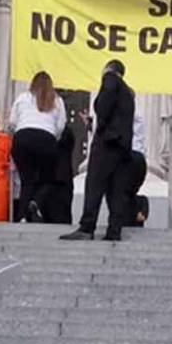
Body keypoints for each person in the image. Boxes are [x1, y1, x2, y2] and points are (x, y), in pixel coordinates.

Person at [61, 60, 134, 241]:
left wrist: (100, 122)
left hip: (107, 143)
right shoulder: (128, 93)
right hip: (122, 146)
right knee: (116, 189)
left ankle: (87, 227)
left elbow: (104, 107)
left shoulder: (110, 79)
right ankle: (114, 230)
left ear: (109, 69)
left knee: (94, 183)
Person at [8, 71, 66, 223]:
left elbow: (13, 121)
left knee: (26, 180)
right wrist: (54, 137)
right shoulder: (57, 100)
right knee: (49, 178)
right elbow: (61, 125)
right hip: (46, 139)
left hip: (22, 138)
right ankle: (36, 202)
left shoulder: (23, 97)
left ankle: (22, 216)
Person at [118, 111, 148, 227]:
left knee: (122, 191)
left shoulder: (125, 115)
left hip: (129, 156)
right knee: (127, 192)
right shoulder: (137, 116)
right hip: (137, 156)